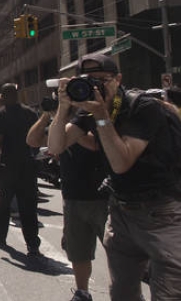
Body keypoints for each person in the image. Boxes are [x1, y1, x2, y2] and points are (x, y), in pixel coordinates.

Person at [48, 54, 181, 300]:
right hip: (121, 212)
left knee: (168, 294)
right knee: (122, 294)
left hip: (162, 213)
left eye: (103, 80)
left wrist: (101, 115)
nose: (96, 87)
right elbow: (55, 146)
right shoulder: (89, 111)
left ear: (118, 79)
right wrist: (64, 107)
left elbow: (121, 163)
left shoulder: (141, 107)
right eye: (89, 81)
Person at [27, 96, 107, 301]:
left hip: (103, 196)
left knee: (118, 251)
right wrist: (50, 114)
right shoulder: (58, 123)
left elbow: (92, 144)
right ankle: (82, 292)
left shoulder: (88, 117)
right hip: (73, 196)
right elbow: (33, 140)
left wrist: (67, 125)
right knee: (78, 251)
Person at [0, 82, 41, 257]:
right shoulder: (31, 113)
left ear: (2, 97)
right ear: (17, 95)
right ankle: (32, 244)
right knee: (28, 205)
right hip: (27, 164)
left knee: (4, 203)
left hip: (7, 165)